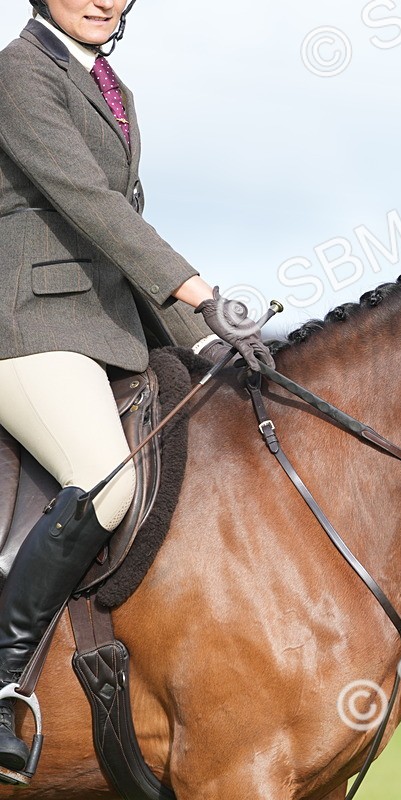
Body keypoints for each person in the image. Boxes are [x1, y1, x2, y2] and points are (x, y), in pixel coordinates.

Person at [0, 0, 273, 779]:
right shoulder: (17, 73)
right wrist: (196, 289)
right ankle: (3, 681)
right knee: (109, 481)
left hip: (109, 328)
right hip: (25, 328)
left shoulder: (109, 85)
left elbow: (120, 235)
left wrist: (210, 341)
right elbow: (92, 206)